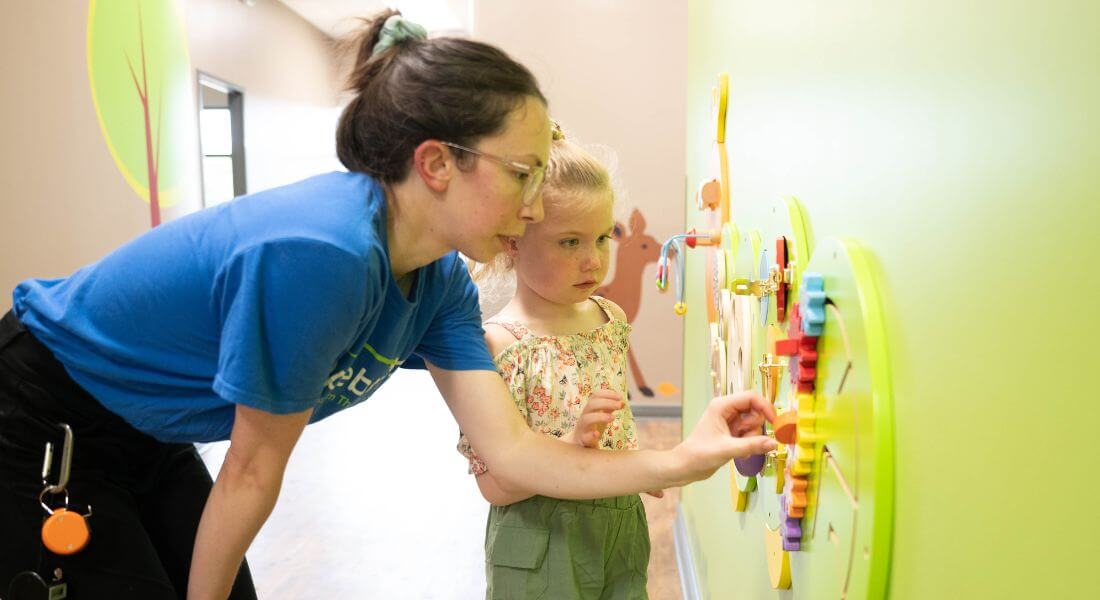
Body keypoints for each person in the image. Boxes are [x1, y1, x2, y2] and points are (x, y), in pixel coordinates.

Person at [0, 10, 776, 600]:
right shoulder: (324, 254)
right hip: (42, 420)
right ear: (437, 163)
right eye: (524, 174)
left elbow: (510, 453)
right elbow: (252, 469)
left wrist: (684, 456)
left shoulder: (438, 280)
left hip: (149, 434)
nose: (539, 208)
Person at [459, 131, 657, 599]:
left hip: (621, 525)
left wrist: (635, 467)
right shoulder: (498, 344)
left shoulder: (610, 319)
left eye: (603, 237)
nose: (593, 260)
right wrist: (569, 445)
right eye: (570, 242)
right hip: (540, 538)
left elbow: (614, 424)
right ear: (512, 242)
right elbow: (494, 488)